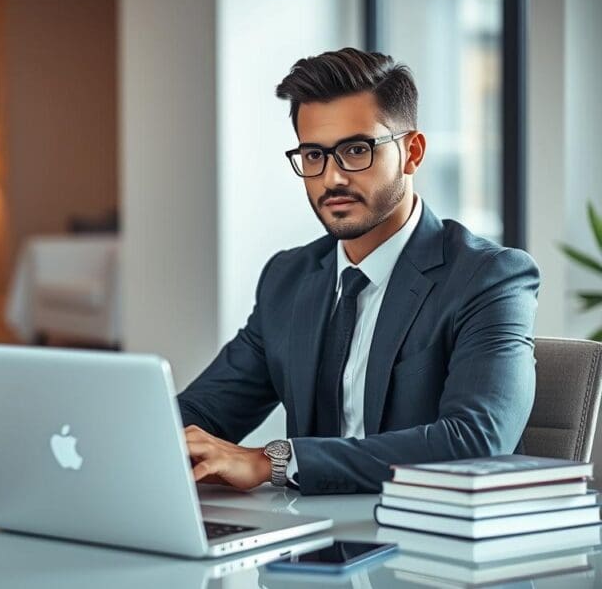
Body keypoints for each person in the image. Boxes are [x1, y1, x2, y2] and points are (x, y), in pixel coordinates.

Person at [177, 47, 540, 495]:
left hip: (434, 548)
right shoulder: (288, 279)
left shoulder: (489, 278)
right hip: (311, 542)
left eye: (356, 150)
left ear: (412, 153)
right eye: (314, 156)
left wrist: (277, 461)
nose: (332, 178)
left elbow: (477, 442)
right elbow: (204, 411)